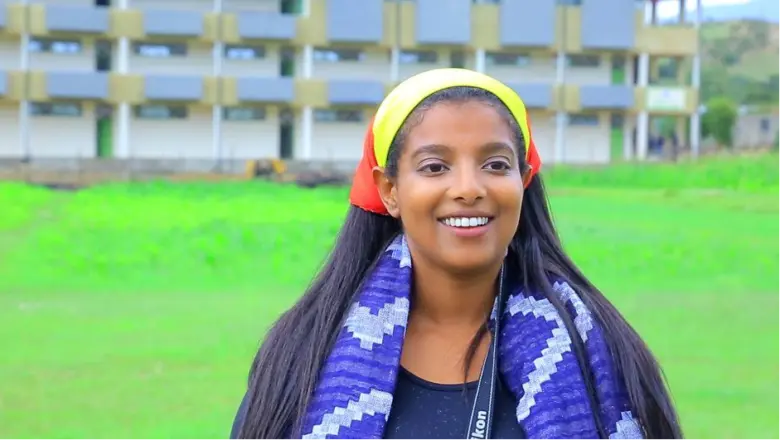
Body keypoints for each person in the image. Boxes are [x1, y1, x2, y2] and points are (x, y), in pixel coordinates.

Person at [230, 68, 682, 440]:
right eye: (434, 167)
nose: (468, 188)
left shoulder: (597, 349)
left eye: (495, 165)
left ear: (523, 180)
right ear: (390, 189)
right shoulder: (303, 353)